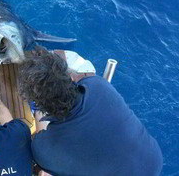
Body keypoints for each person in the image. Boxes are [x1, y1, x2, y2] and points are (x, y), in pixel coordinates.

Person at [18, 47, 163, 176]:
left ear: (38, 103)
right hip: (151, 161)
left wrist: (38, 111)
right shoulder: (99, 86)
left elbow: (40, 139)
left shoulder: (43, 148)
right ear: (69, 77)